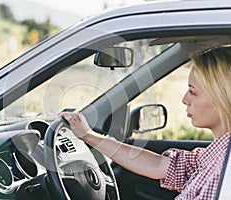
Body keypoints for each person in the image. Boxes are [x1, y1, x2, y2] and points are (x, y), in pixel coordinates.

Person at [60, 46, 231, 200]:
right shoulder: (218, 156)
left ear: (222, 96)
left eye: (193, 92)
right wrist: (88, 136)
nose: (184, 99)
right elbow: (158, 165)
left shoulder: (223, 176)